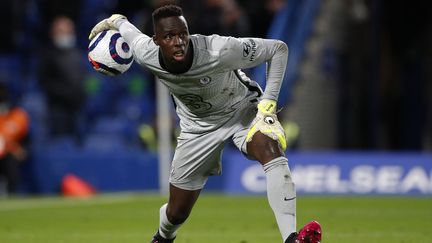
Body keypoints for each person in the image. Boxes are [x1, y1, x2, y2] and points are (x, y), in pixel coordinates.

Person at [89, 5, 322, 243]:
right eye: (169, 37)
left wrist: (268, 104)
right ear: (156, 40)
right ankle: (163, 237)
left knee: (270, 147)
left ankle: (290, 238)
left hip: (242, 109)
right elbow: (130, 32)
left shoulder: (219, 49)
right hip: (196, 128)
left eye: (182, 34)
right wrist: (116, 21)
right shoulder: (145, 53)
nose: (178, 41)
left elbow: (278, 49)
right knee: (176, 212)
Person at [37, 16, 86, 142]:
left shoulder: (78, 54)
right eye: (62, 32)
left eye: (69, 32)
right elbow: (44, 81)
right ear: (53, 33)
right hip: (57, 109)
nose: (66, 35)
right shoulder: (47, 55)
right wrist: (65, 93)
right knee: (60, 143)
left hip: (78, 107)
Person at [0, 83, 30, 195]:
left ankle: (11, 193)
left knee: (11, 161)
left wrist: (20, 150)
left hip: (8, 154)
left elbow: (26, 141)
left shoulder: (18, 115)